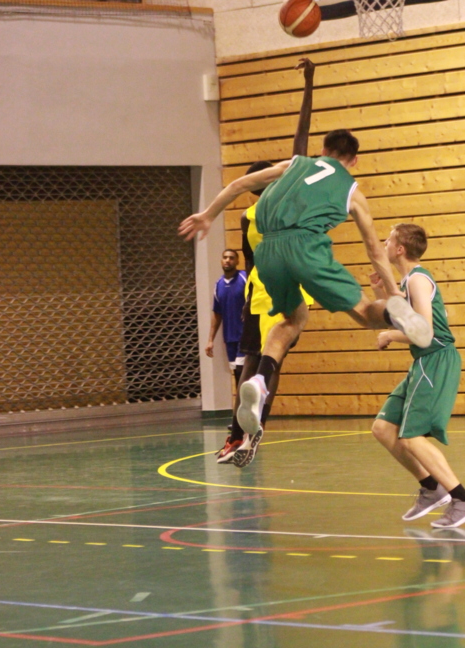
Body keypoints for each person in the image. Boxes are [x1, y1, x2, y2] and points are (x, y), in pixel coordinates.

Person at [179, 131, 432, 447]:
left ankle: (260, 381)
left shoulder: (294, 164)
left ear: (323, 150)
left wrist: (208, 215)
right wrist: (393, 292)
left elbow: (238, 185)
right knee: (367, 313)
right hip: (306, 247)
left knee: (292, 320)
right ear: (354, 160)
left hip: (267, 253)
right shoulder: (352, 191)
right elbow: (374, 249)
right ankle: (396, 311)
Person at [217, 58, 316, 466]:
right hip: (284, 290)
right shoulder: (286, 203)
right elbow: (300, 144)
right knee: (268, 367)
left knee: (251, 363)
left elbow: (249, 262)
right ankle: (251, 434)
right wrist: (309, 85)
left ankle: (234, 436)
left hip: (257, 292)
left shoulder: (247, 215)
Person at [371, 223, 465, 529]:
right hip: (423, 361)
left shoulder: (418, 280)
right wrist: (381, 292)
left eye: (389, 239)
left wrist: (390, 336)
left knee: (411, 437)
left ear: (399, 249)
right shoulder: (407, 281)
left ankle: (463, 499)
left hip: (436, 360)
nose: (384, 242)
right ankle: (431, 488)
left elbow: (425, 332)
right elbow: (404, 320)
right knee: (383, 427)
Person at [205, 248, 246, 386]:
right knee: (237, 374)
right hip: (230, 338)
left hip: (246, 336)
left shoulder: (245, 278)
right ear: (221, 261)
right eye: (225, 257)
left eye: (231, 258)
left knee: (242, 371)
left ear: (237, 261)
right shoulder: (218, 285)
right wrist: (210, 340)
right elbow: (217, 314)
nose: (228, 260)